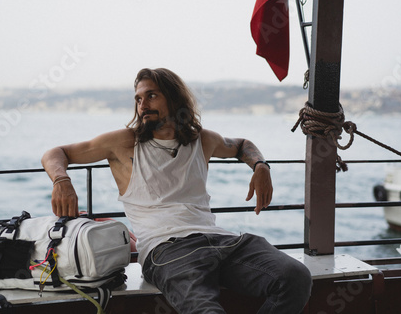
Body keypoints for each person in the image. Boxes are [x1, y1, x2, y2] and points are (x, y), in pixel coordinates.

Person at [41, 68, 312, 314]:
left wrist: (261, 167)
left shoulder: (202, 140)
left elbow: (241, 144)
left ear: (173, 98)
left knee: (295, 277)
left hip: (222, 241)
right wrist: (61, 181)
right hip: (168, 251)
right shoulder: (124, 143)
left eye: (151, 96)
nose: (142, 105)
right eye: (138, 99)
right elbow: (57, 153)